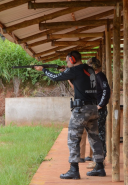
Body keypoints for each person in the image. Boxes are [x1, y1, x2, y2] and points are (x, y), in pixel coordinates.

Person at [34, 51, 106, 179]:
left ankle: (74, 169)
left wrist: (43, 70)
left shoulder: (75, 70)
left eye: (67, 61)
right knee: (95, 138)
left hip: (81, 109)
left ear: (72, 60)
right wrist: (67, 72)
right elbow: (78, 85)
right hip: (93, 108)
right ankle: (100, 167)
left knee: (73, 138)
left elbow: (55, 78)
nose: (67, 63)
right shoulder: (88, 69)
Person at [80, 57, 111, 169]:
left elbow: (106, 91)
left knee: (99, 135)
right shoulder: (96, 76)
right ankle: (99, 159)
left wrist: (100, 105)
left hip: (100, 111)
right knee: (98, 134)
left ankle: (100, 160)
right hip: (97, 109)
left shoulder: (100, 76)